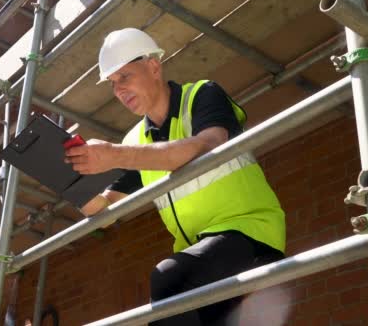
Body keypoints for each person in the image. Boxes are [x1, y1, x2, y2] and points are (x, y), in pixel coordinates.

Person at [64, 28, 286, 325]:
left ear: (153, 66)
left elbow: (209, 143)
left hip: (250, 232)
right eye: (113, 84)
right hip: (201, 257)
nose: (119, 90)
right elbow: (105, 210)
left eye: (124, 77)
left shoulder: (202, 95)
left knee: (167, 278)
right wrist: (68, 178)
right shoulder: (136, 139)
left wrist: (116, 154)